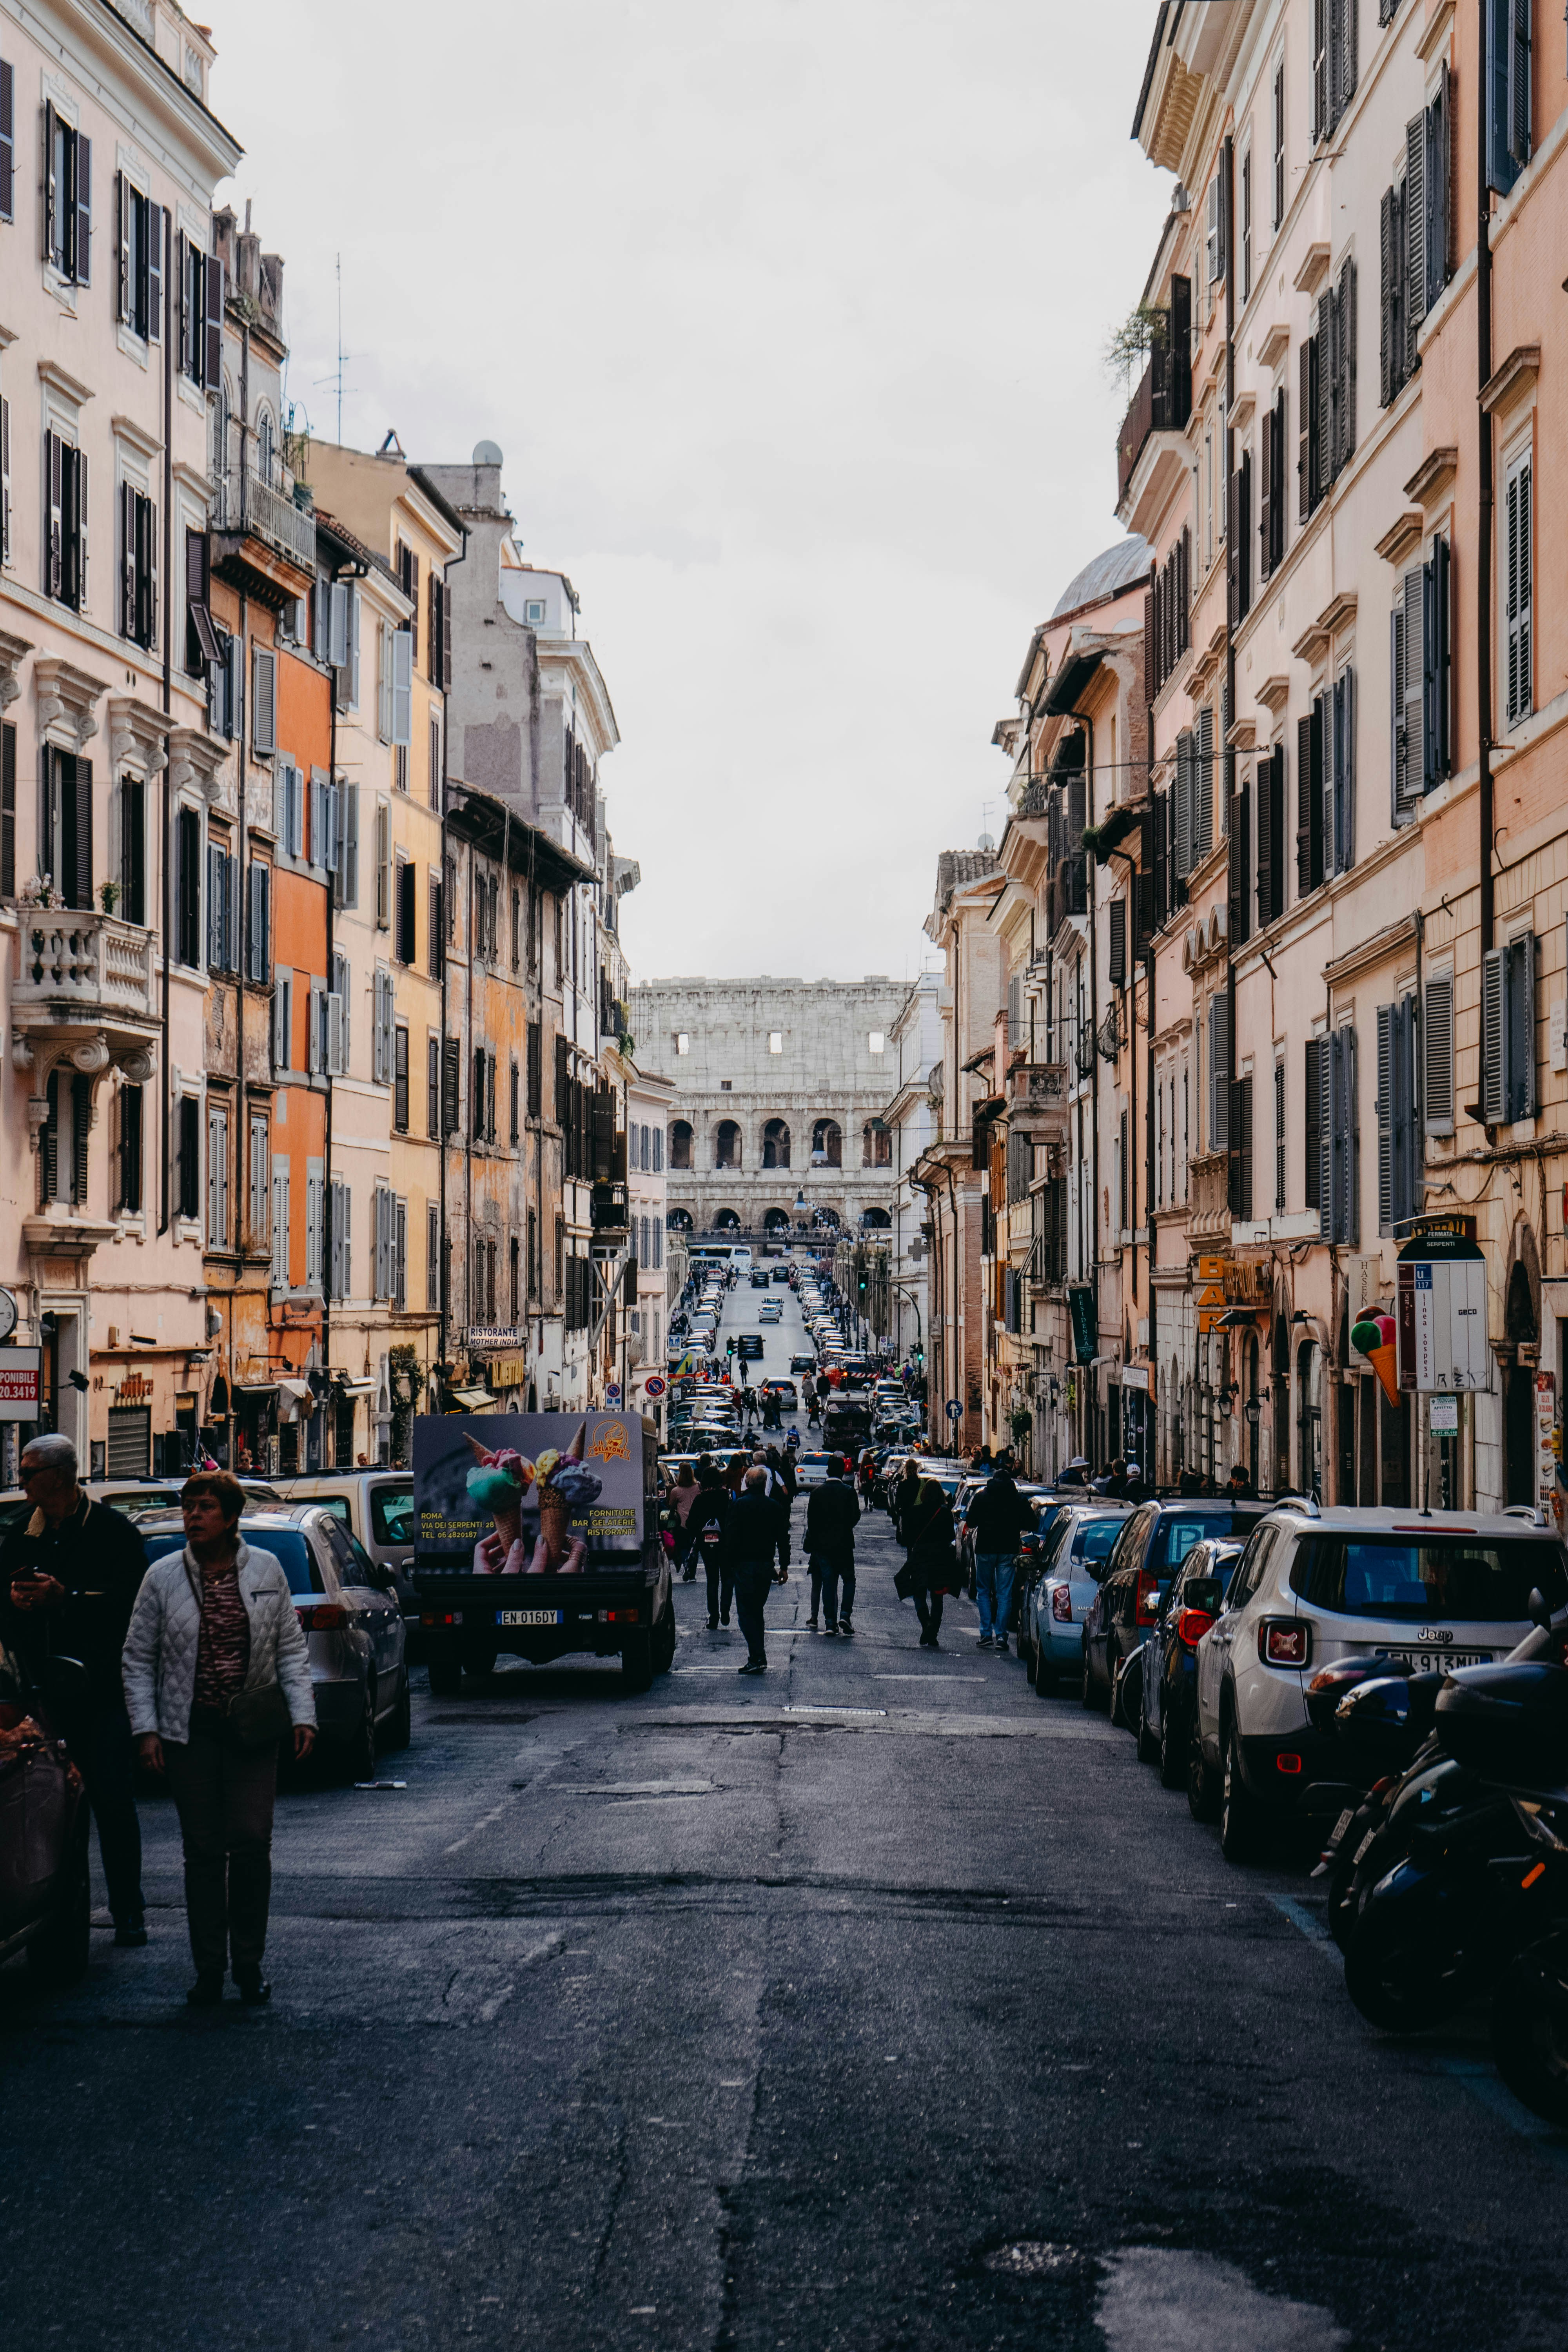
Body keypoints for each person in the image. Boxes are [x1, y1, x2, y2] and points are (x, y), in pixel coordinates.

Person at [121, 1471, 316, 2007]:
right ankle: (209, 1969)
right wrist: (147, 1730)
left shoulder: (267, 1570)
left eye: (205, 1508)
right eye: (189, 1509)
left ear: (231, 1518)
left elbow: (291, 1652)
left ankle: (248, 1964)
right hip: (190, 1734)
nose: (194, 1518)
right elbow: (138, 1659)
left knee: (251, 1844)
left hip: (252, 1731)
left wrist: (303, 1716)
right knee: (203, 1853)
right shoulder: (162, 1578)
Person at [0, 1433, 153, 1949]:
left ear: (61, 1477)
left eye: (30, 1473)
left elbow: (133, 1605)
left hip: (99, 1692)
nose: (22, 1483)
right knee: (46, 1810)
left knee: (111, 1803)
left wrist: (68, 1600)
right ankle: (58, 1908)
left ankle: (129, 1912)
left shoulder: (113, 1533)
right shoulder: (22, 1534)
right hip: (40, 1694)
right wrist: (18, 1603)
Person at [962, 1448, 1035, 1655]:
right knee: (1005, 1594)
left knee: (983, 1591)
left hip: (985, 1548)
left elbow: (972, 1521)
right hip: (1008, 1549)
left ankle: (986, 1633)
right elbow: (1033, 1522)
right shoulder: (1017, 1499)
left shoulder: (983, 1497)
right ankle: (1001, 1636)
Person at [803, 1454, 860, 1635]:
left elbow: (811, 1522)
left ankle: (830, 1622)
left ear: (827, 1471)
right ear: (844, 1471)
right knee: (849, 1579)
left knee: (829, 1582)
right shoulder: (849, 1492)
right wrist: (844, 1527)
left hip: (823, 1546)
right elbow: (855, 1516)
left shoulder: (817, 1493)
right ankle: (845, 1614)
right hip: (843, 1544)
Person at [904, 1474, 962, 1648]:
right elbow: (951, 1536)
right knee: (938, 1598)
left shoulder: (915, 1512)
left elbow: (908, 1537)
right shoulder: (945, 1513)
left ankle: (926, 1624)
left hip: (920, 1558)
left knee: (919, 1595)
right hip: (940, 1560)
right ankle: (933, 1632)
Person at [668, 1461, 705, 1580]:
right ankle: (692, 1570)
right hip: (697, 1521)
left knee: (683, 1547)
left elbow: (671, 1505)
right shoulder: (698, 1487)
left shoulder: (676, 1491)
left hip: (682, 1522)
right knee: (695, 1547)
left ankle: (686, 1564)